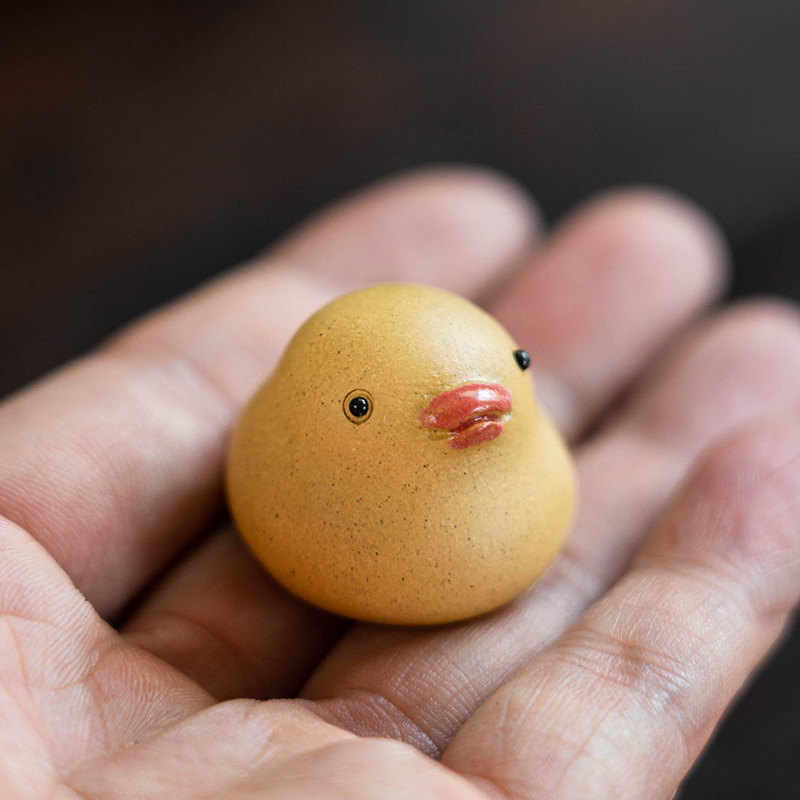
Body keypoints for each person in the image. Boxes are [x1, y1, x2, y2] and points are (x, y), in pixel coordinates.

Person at [2, 166, 799, 799]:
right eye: (358, 407)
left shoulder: (525, 472)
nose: (480, 406)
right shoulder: (280, 463)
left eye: (513, 368)